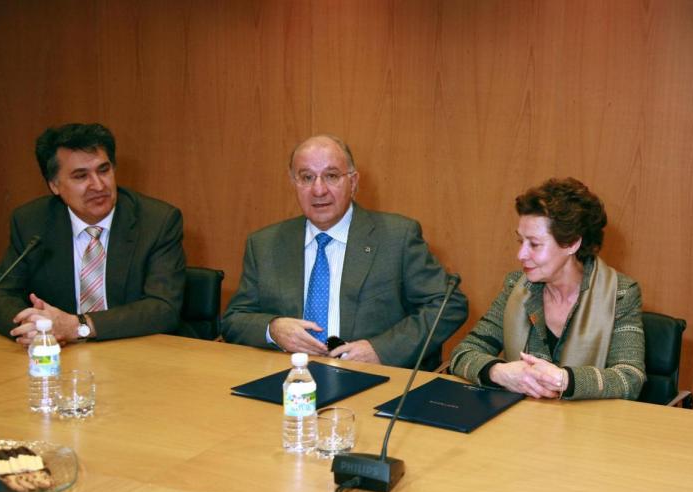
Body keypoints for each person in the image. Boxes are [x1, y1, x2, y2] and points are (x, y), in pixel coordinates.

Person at [221, 134, 468, 369]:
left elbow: (449, 304)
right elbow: (234, 319)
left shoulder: (397, 237)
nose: (319, 190)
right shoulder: (264, 244)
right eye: (307, 177)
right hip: (290, 378)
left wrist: (381, 350)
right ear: (293, 183)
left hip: (372, 380)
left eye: (331, 176)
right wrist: (272, 328)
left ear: (353, 182)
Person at [0, 123, 186, 344]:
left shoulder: (157, 221)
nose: (98, 185)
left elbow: (163, 308)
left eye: (104, 170)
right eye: (81, 176)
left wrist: (78, 326)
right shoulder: (32, 222)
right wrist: (35, 327)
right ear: (54, 185)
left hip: (134, 353)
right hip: (62, 356)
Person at [449, 177, 645, 400]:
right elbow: (463, 353)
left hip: (590, 428)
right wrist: (499, 372)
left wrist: (563, 380)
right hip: (524, 423)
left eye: (534, 244)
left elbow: (630, 377)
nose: (521, 254)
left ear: (571, 243)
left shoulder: (621, 293)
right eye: (520, 241)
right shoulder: (516, 287)